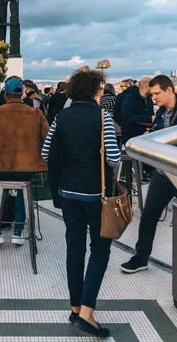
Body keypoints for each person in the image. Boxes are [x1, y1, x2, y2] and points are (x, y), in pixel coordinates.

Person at [42, 69, 121, 338]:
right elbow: (113, 157)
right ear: (96, 91)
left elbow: (46, 152)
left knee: (74, 248)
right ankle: (87, 313)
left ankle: (75, 307)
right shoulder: (103, 117)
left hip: (68, 191)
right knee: (100, 249)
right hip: (96, 193)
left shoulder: (61, 117)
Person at [121, 74, 177, 274]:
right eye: (152, 94)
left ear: (169, 90)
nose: (152, 97)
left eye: (156, 93)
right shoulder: (162, 113)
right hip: (163, 176)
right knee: (149, 216)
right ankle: (141, 258)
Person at [0, 78, 49, 245]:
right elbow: (48, 140)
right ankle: (18, 231)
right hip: (27, 169)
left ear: (5, 94)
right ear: (21, 94)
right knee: (24, 188)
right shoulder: (36, 114)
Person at [120, 77, 154, 183]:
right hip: (132, 135)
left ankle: (145, 174)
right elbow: (126, 116)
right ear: (147, 86)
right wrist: (146, 120)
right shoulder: (130, 98)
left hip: (144, 133)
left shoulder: (148, 99)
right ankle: (137, 178)